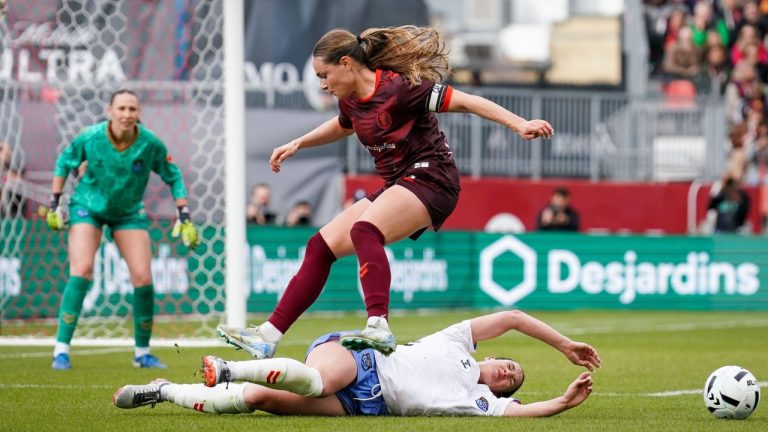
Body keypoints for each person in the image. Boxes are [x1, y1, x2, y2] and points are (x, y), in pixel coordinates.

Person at [216, 25, 554, 359]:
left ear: (347, 63)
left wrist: (519, 124)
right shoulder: (350, 101)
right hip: (399, 184)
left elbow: (468, 102)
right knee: (320, 246)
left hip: (432, 178)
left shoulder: (403, 89)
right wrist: (299, 143)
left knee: (365, 230)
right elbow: (343, 126)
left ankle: (379, 325)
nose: (322, 84)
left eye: (325, 74)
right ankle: (268, 337)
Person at [114, 310, 600, 417]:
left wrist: (561, 401)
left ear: (498, 392)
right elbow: (513, 317)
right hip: (361, 360)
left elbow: (523, 415)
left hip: (367, 405)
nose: (508, 374)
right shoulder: (457, 342)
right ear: (490, 356)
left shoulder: (477, 402)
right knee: (319, 377)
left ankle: (164, 390)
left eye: (510, 382)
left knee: (257, 400)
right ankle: (228, 369)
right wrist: (564, 345)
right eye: (510, 366)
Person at [47, 89, 199, 370]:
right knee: (81, 270)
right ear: (109, 111)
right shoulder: (90, 137)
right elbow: (64, 162)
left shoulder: (149, 143)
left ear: (139, 113)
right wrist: (55, 202)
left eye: (132, 109)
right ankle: (61, 350)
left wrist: (183, 212)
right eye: (121, 109)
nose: (127, 114)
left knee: (143, 278)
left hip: (128, 212)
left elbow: (173, 176)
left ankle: (142, 354)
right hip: (87, 207)